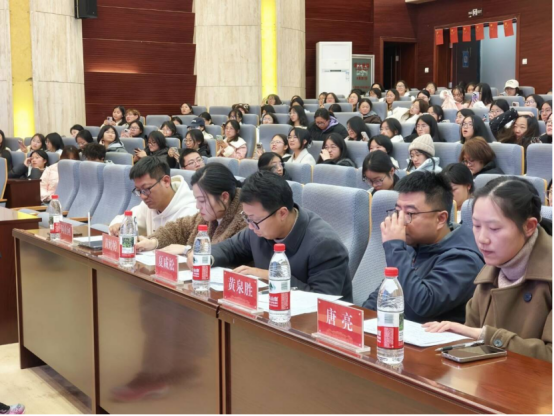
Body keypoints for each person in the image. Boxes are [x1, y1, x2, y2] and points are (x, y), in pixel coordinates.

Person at [424, 177, 553, 363]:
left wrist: (486, 335)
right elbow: (472, 343)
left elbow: (550, 356)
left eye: (494, 228)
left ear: (529, 226)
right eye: (476, 226)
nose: (482, 239)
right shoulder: (491, 270)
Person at [196, 171, 353, 300]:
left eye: (254, 220)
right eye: (247, 218)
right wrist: (204, 257)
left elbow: (323, 299)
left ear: (282, 213)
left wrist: (272, 276)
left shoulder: (324, 244)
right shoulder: (258, 229)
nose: (250, 226)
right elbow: (229, 248)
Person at [363, 171, 485, 323]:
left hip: (432, 336)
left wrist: (394, 248)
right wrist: (363, 320)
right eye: (398, 211)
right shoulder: (415, 242)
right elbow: (386, 293)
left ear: (441, 219)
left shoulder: (464, 260)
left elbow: (422, 306)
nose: (401, 221)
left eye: (410, 213)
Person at [133, 164, 246, 257]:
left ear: (224, 197)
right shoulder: (206, 217)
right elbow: (178, 228)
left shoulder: (246, 221)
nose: (197, 206)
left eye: (202, 200)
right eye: (197, 200)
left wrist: (187, 250)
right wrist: (154, 242)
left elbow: (228, 254)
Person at [109, 157, 197, 237]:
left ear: (166, 181)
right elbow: (122, 219)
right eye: (139, 191)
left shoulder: (192, 211)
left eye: (146, 189)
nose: (143, 196)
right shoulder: (148, 205)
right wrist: (118, 226)